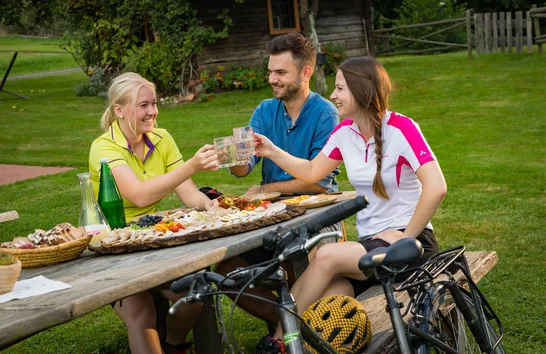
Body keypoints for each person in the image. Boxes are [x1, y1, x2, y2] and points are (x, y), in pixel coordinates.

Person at [251, 56, 447, 353]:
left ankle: (277, 344)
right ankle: (291, 342)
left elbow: (436, 187)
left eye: (340, 88)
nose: (332, 95)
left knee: (326, 256)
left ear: (361, 90)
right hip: (372, 248)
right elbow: (311, 172)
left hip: (412, 245)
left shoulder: (402, 128)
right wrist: (272, 151)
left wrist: (405, 237)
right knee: (328, 298)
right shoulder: (344, 133)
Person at [214, 32, 339, 334]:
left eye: (281, 72)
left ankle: (289, 334)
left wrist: (265, 190)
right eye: (270, 71)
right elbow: (244, 170)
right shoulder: (265, 110)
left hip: (316, 214)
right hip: (270, 214)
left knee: (294, 255)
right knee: (224, 271)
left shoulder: (326, 114)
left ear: (305, 72)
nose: (272, 78)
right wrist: (234, 156)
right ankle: (286, 322)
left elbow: (319, 184)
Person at [89, 72, 218, 354]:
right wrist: (191, 166)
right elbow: (138, 193)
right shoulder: (103, 147)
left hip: (156, 241)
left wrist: (213, 207)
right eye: (143, 105)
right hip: (116, 248)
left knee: (195, 292)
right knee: (141, 314)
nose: (152, 112)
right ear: (118, 110)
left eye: (154, 103)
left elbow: (188, 194)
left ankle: (174, 345)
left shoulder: (162, 138)